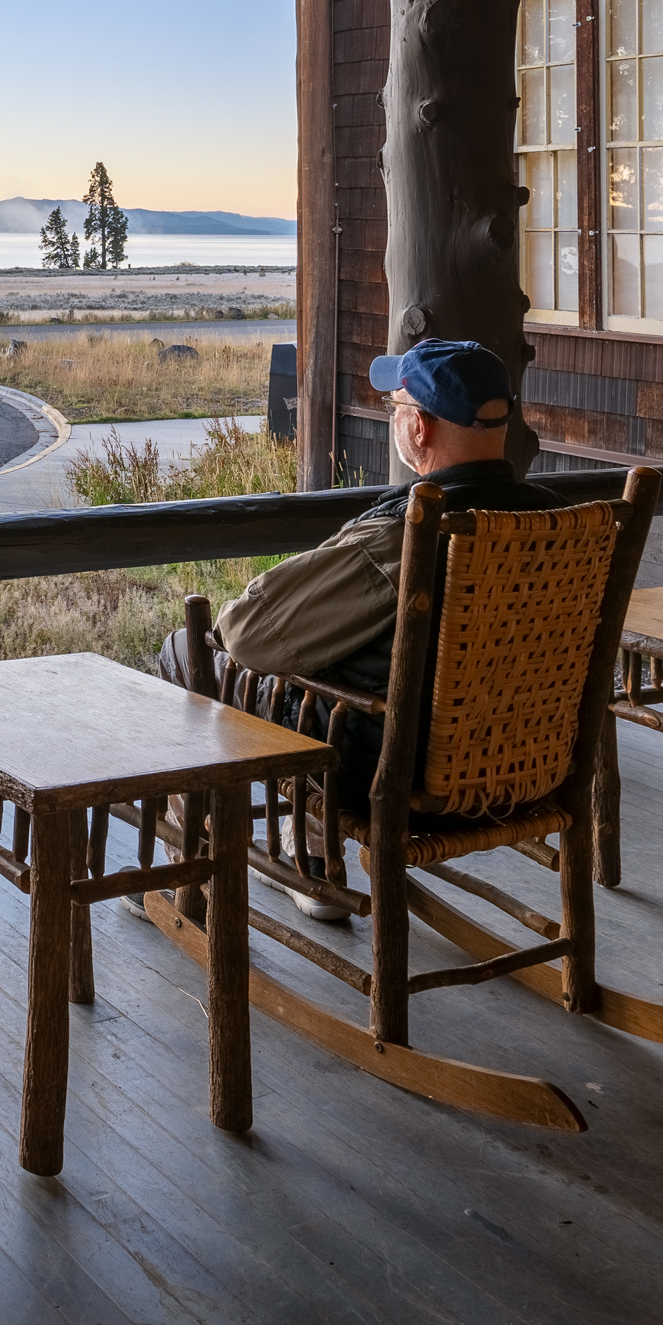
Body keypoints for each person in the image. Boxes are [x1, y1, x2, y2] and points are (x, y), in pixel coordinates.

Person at [194, 338, 561, 919]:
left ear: (417, 429)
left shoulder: (402, 537)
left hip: (393, 765)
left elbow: (245, 633)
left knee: (193, 658)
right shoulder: (557, 523)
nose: (394, 420)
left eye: (395, 408)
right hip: (524, 759)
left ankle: (177, 877)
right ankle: (309, 849)